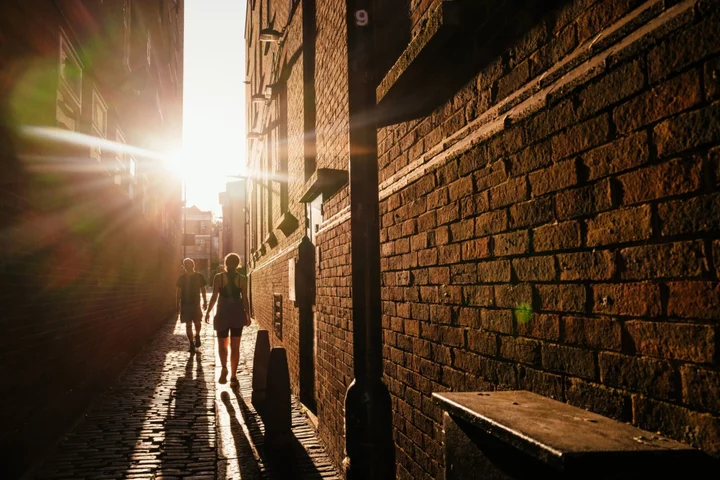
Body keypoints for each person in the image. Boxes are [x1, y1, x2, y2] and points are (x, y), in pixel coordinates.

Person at [205, 253, 250, 385]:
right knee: (235, 345)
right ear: (238, 264)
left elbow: (214, 296)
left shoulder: (219, 277)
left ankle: (224, 367)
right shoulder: (242, 279)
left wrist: (208, 311)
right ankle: (233, 377)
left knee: (222, 344)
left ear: (225, 263)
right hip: (237, 312)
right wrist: (247, 314)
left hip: (222, 311)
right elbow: (245, 299)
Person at [176, 258, 208, 352]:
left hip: (196, 303)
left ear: (193, 265)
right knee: (188, 325)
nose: (188, 265)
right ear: (184, 266)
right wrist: (177, 304)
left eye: (189, 263)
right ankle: (191, 344)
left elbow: (203, 289)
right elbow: (178, 291)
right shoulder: (181, 278)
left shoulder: (199, 276)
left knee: (198, 323)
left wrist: (205, 301)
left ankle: (197, 335)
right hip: (185, 304)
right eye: (186, 264)